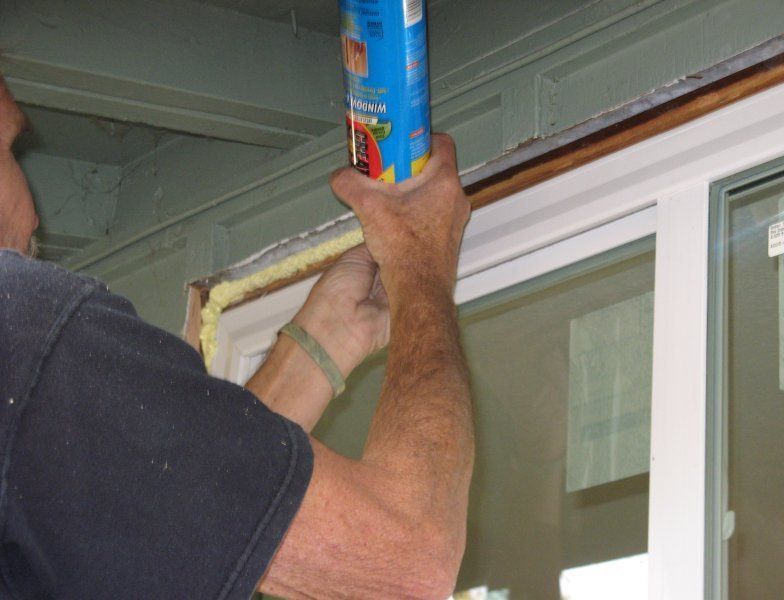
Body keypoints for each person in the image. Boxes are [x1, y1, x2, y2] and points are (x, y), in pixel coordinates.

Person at [0, 75, 474, 599]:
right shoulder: (18, 322)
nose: (34, 206)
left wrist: (322, 345)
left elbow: (178, 520)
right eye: (8, 148)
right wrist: (421, 259)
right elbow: (405, 565)